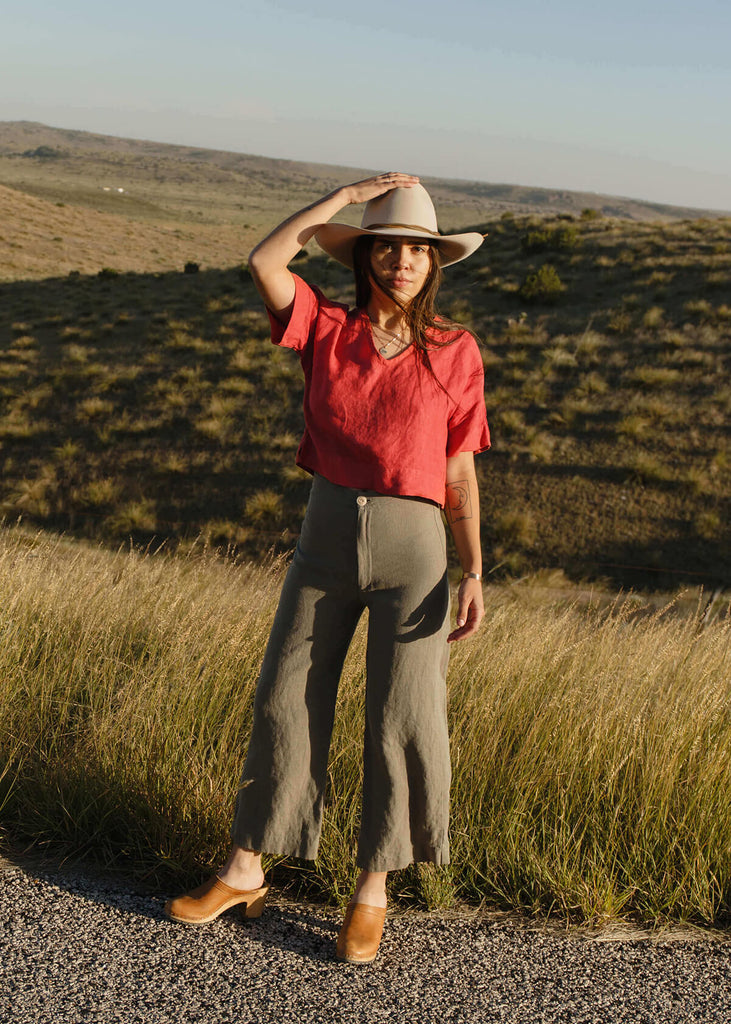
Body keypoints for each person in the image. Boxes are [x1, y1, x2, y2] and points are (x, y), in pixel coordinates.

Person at [164, 172, 490, 964]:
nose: (404, 261)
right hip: (326, 535)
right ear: (367, 256)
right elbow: (265, 259)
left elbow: (457, 470)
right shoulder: (326, 328)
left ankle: (371, 891)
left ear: (432, 261)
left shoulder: (455, 350)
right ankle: (246, 867)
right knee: (284, 695)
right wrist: (341, 202)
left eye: (418, 249)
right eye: (389, 247)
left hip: (416, 551)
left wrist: (474, 567)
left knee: (399, 717)